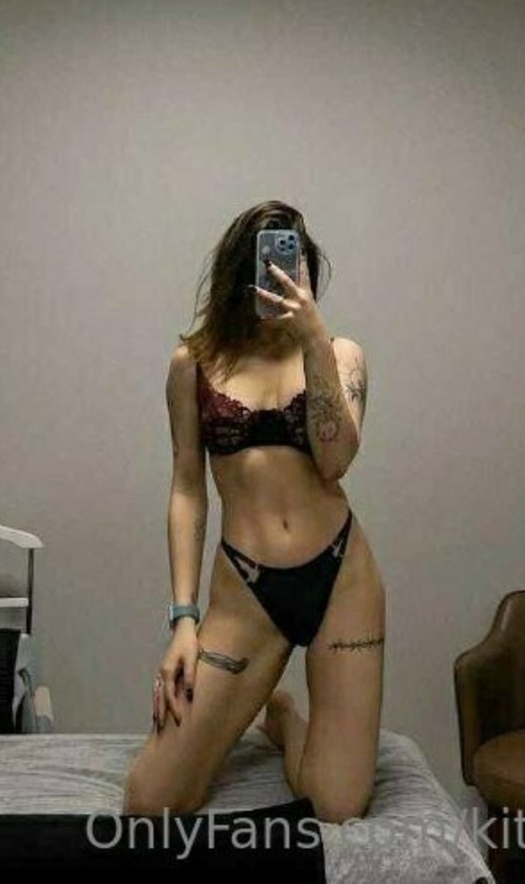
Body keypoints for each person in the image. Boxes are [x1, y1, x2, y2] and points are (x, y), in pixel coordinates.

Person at [122, 201, 385, 824]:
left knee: (337, 806)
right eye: (265, 264)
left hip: (341, 578)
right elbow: (188, 487)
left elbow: (335, 461)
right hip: (247, 588)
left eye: (291, 264)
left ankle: (286, 721)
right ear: (240, 272)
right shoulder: (193, 364)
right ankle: (265, 705)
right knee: (152, 800)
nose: (278, 276)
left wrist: (312, 338)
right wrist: (183, 619)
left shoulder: (341, 355)